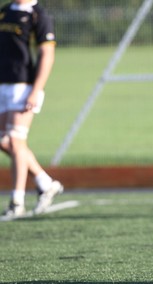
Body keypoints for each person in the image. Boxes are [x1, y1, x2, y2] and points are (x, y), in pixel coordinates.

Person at [0, 0, 63, 218]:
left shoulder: (38, 16)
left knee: (16, 141)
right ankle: (45, 182)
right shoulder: (6, 11)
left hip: (24, 86)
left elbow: (47, 54)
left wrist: (36, 89)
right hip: (3, 85)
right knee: (4, 141)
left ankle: (16, 202)